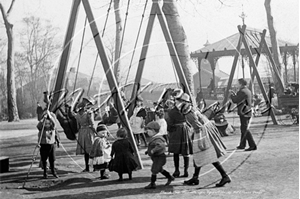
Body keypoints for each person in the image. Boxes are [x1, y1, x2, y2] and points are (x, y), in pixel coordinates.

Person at [175, 93, 231, 187]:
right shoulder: (191, 108)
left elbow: (198, 126)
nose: (176, 102)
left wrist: (200, 140)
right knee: (199, 155)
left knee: (208, 154)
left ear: (183, 101)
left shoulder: (188, 112)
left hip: (202, 132)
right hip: (205, 129)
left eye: (178, 100)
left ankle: (224, 176)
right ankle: (195, 177)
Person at [166, 88, 193, 178]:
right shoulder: (187, 108)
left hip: (176, 130)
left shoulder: (171, 111)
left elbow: (169, 123)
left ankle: (177, 170)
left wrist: (169, 130)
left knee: (176, 152)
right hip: (184, 129)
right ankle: (185, 171)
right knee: (185, 151)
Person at [144, 121, 175, 189]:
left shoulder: (158, 139)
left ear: (154, 131)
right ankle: (170, 177)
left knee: (154, 170)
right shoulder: (154, 138)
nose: (147, 132)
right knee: (160, 169)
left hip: (159, 157)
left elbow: (160, 146)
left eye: (149, 130)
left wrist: (153, 150)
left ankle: (152, 183)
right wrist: (148, 151)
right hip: (156, 158)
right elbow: (152, 146)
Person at [230, 78, 257, 151]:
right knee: (243, 128)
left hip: (243, 112)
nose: (236, 84)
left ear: (241, 84)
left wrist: (232, 95)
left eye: (237, 83)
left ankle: (252, 145)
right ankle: (242, 144)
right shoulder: (248, 91)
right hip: (248, 111)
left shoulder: (241, 91)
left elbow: (236, 100)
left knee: (245, 129)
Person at [37, 110, 60, 179]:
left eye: (48, 123)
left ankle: (53, 171)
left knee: (52, 159)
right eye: (45, 123)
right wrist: (43, 118)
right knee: (44, 159)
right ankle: (45, 173)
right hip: (43, 144)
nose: (47, 125)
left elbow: (54, 124)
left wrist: (50, 116)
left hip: (51, 144)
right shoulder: (41, 128)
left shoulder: (52, 128)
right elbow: (38, 125)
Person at [75, 101, 96, 172]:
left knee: (85, 151)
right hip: (88, 132)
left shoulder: (77, 115)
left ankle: (87, 167)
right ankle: (94, 166)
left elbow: (77, 126)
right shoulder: (88, 114)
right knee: (92, 149)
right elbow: (92, 123)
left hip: (81, 132)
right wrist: (95, 132)